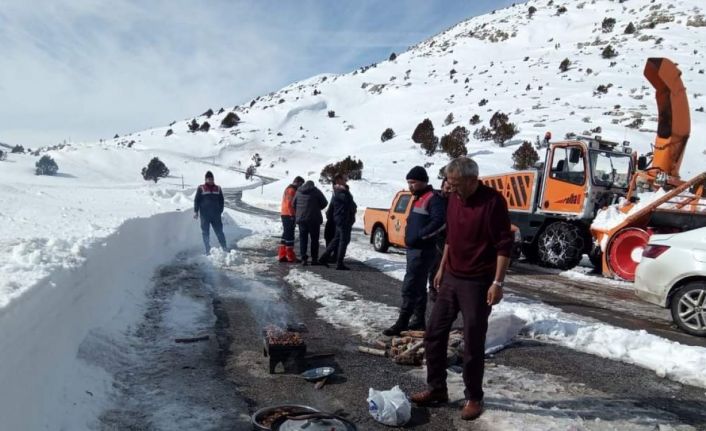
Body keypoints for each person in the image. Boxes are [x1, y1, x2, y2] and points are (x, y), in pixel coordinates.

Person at [410, 157, 513, 421]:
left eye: (455, 183)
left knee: (473, 340)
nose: (449, 187)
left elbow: (504, 246)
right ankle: (437, 388)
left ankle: (474, 397)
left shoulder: (493, 203)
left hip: (478, 282)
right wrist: (443, 268)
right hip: (452, 277)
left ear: (471, 180)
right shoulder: (454, 199)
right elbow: (451, 238)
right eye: (448, 182)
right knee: (434, 332)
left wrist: (498, 283)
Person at [383, 166, 446, 336]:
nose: (410, 186)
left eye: (413, 182)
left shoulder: (432, 198)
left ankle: (402, 322)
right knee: (417, 287)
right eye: (408, 183)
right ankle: (418, 321)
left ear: (423, 181)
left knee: (410, 286)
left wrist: (421, 236)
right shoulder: (418, 197)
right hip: (414, 250)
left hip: (423, 250)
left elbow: (440, 221)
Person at [318, 174, 357, 270]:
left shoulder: (340, 191)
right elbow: (349, 202)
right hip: (343, 219)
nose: (346, 180)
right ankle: (339, 263)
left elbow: (351, 204)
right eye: (344, 179)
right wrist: (347, 191)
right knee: (343, 241)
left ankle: (323, 258)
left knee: (336, 240)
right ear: (339, 180)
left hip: (342, 219)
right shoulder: (340, 191)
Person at [427, 178, 452, 302]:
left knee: (448, 265)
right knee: (436, 264)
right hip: (437, 238)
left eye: (451, 188)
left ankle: (445, 289)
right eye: (447, 188)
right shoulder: (436, 200)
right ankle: (433, 288)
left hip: (451, 238)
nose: (449, 191)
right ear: (442, 187)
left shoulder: (455, 201)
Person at [293, 180, 328, 266]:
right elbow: (325, 203)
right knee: (314, 240)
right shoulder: (316, 191)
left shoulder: (298, 191)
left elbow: (293, 204)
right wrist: (317, 207)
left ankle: (303, 258)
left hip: (301, 220)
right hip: (314, 219)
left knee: (303, 239)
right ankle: (314, 259)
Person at [193, 171, 227, 253]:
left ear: (213, 179)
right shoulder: (201, 188)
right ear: (205, 179)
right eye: (208, 179)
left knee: (219, 232)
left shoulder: (218, 188)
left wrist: (220, 210)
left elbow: (221, 200)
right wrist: (196, 211)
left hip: (216, 216)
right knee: (205, 233)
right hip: (205, 216)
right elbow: (196, 200)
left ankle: (224, 248)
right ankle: (207, 250)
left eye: (211, 179)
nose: (210, 180)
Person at [279, 176, 305, 262]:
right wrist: (292, 216)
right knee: (290, 236)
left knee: (285, 235)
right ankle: (290, 256)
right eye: (301, 184)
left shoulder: (288, 188)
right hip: (288, 215)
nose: (301, 187)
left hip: (285, 213)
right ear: (297, 182)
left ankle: (282, 255)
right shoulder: (292, 190)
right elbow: (289, 204)